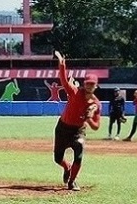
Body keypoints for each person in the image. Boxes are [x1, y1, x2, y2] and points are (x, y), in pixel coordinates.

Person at [53, 51, 101, 191]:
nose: (89, 86)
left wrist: (89, 119)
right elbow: (63, 80)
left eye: (92, 84)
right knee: (57, 158)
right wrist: (62, 64)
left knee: (79, 150)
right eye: (87, 83)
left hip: (78, 130)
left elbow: (96, 126)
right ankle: (67, 167)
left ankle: (72, 181)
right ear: (84, 84)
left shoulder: (96, 104)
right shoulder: (74, 92)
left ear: (96, 86)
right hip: (62, 128)